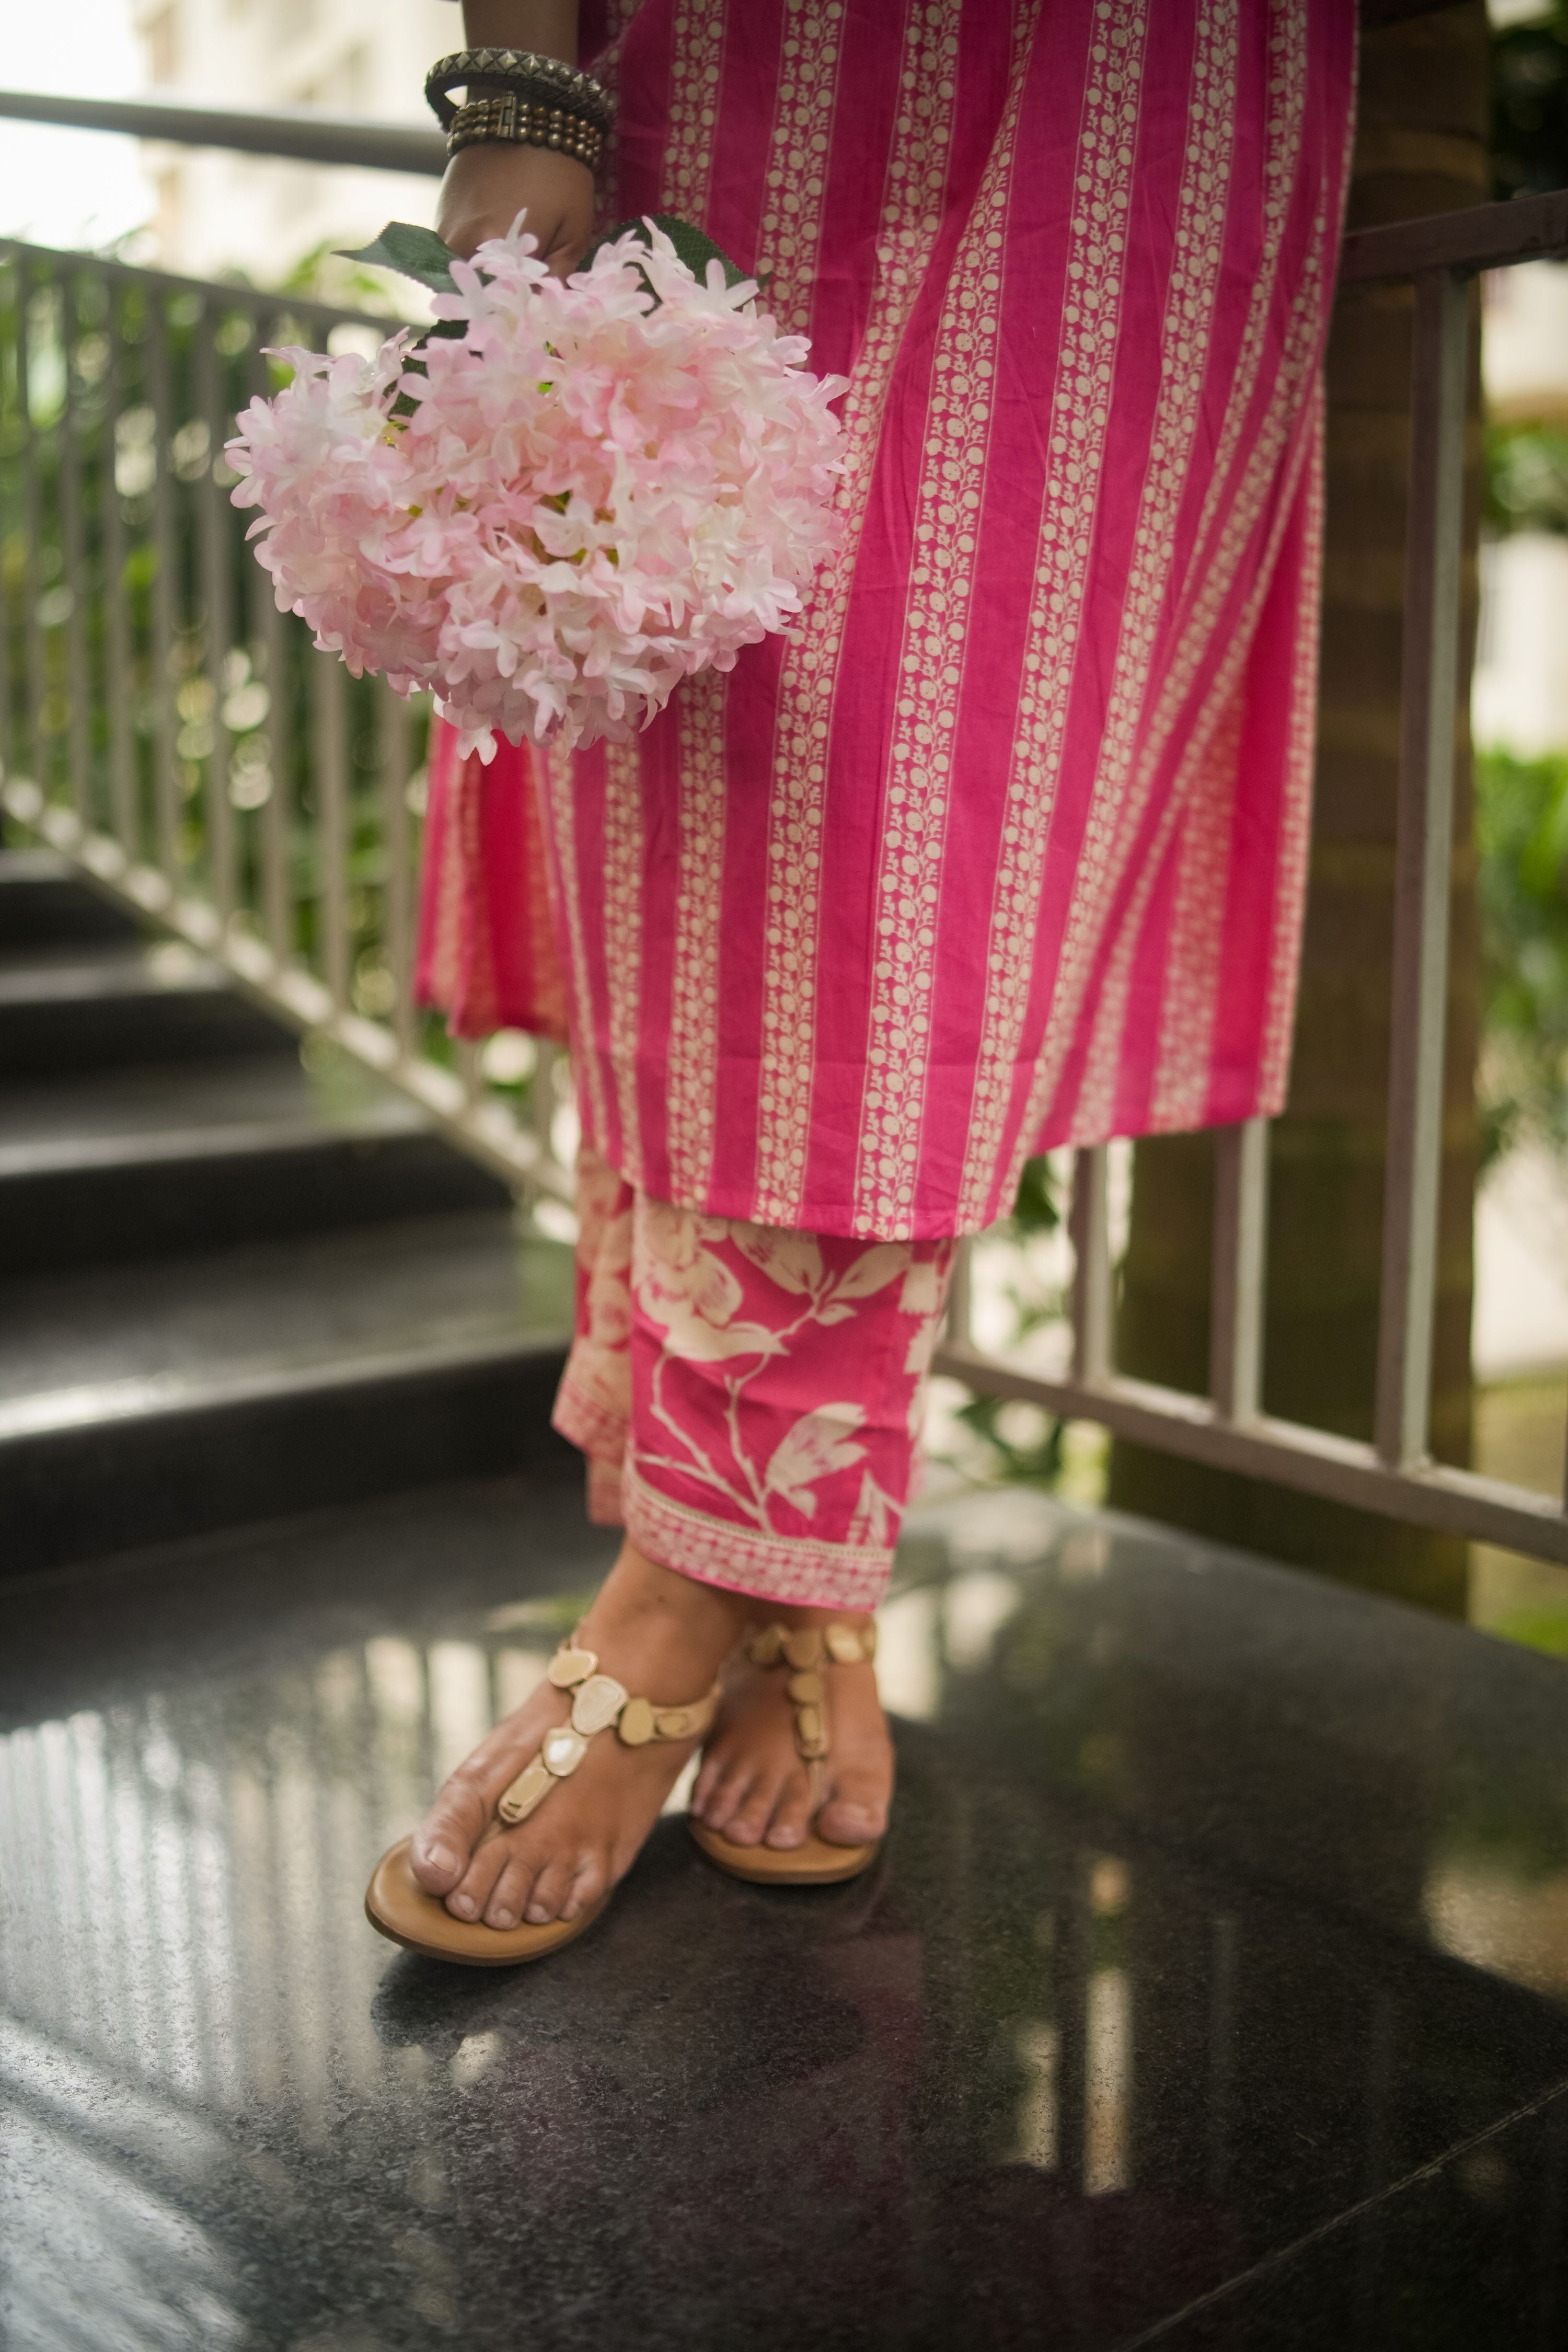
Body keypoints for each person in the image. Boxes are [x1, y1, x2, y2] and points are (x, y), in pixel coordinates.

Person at [364, 0, 1357, 1964]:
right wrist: (521, 88)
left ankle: (709, 1572)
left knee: (949, 812)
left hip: (1137, 109)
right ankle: (761, 1572)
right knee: (717, 802)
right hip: (731, 78)